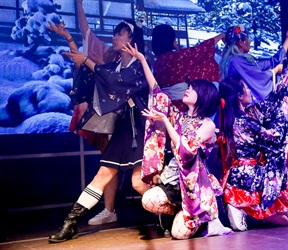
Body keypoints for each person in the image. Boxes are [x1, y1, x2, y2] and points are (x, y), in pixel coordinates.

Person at [47, 18, 149, 243]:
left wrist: (87, 61)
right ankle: (71, 223)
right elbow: (95, 73)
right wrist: (70, 41)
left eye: (120, 34)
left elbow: (115, 81)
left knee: (138, 182)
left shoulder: (141, 65)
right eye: (115, 33)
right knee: (103, 174)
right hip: (124, 129)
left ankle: (172, 212)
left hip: (143, 129)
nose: (115, 37)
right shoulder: (114, 66)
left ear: (133, 40)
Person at [122, 43, 233, 239]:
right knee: (148, 200)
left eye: (192, 88)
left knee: (178, 235)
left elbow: (186, 150)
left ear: (204, 96)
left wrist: (165, 120)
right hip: (175, 181)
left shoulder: (207, 125)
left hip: (196, 187)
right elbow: (157, 91)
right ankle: (179, 212)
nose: (187, 90)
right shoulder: (179, 116)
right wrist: (142, 60)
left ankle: (202, 218)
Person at [218, 54, 288, 230]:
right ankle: (245, 209)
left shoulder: (238, 117)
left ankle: (249, 209)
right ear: (239, 96)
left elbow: (268, 105)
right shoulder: (244, 121)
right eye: (246, 88)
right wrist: (285, 109)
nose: (249, 91)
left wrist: (282, 95)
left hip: (243, 174)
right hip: (249, 178)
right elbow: (275, 139)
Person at [219, 21, 288, 214]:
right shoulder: (236, 61)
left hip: (255, 112)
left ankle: (283, 197)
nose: (249, 42)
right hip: (252, 114)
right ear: (241, 42)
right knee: (274, 151)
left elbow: (271, 61)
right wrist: (273, 73)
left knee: (278, 152)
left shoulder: (243, 59)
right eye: (248, 39)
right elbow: (262, 76)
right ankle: (275, 199)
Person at [151, 24, 225, 112]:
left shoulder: (157, 62)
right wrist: (222, 35)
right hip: (182, 105)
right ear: (171, 40)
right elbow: (202, 49)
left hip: (165, 106)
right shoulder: (178, 57)